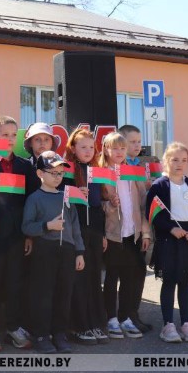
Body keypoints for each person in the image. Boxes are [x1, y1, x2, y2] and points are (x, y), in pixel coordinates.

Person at [0, 116, 39, 352]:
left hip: (18, 236)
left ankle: (13, 327)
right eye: (5, 135)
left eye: (14, 135)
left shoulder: (25, 166)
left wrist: (29, 235)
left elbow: (31, 201)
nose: (11, 139)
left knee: (14, 282)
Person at [22, 151, 85, 354]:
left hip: (67, 251)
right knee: (43, 294)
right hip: (44, 251)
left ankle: (59, 334)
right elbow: (26, 227)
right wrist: (48, 225)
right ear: (40, 173)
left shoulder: (66, 197)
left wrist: (79, 252)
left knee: (63, 294)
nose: (58, 177)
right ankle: (41, 335)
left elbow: (75, 226)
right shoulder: (34, 198)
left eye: (60, 173)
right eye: (53, 173)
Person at [147, 142, 188, 343]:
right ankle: (168, 325)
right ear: (166, 161)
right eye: (174, 160)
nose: (179, 164)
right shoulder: (159, 186)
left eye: (183, 160)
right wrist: (170, 228)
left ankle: (187, 323)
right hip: (169, 240)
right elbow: (153, 213)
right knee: (169, 281)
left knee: (185, 282)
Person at [100, 132, 150, 340]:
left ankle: (125, 317)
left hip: (133, 234)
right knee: (112, 278)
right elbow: (97, 206)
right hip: (113, 235)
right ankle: (111, 318)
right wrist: (110, 204)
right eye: (115, 148)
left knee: (130, 278)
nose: (119, 152)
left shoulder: (133, 172)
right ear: (106, 150)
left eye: (122, 148)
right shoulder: (102, 173)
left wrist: (145, 232)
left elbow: (143, 205)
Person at [63, 128, 109, 345]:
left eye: (91, 147)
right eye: (83, 147)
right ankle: (79, 326)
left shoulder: (96, 171)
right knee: (78, 279)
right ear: (73, 148)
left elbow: (98, 205)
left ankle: (95, 323)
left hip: (95, 231)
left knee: (94, 278)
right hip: (75, 230)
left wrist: (103, 234)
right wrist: (74, 194)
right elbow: (58, 197)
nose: (88, 151)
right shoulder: (66, 170)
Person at [118, 124, 154, 334]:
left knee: (139, 271)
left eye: (139, 141)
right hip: (122, 230)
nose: (137, 145)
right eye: (132, 142)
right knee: (125, 273)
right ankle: (123, 315)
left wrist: (146, 232)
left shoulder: (141, 166)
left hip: (139, 229)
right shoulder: (118, 167)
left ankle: (133, 313)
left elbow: (143, 204)